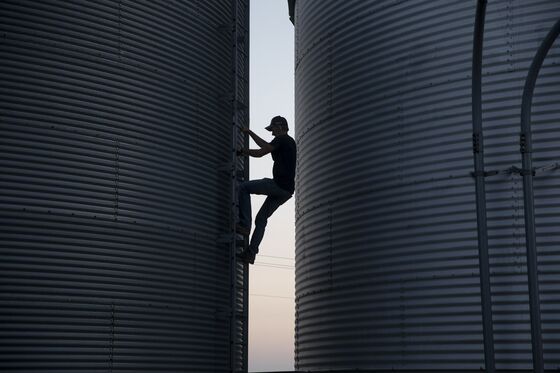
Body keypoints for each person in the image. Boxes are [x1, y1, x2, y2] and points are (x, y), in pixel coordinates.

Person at [237, 116, 296, 264]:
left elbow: (261, 152)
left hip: (278, 185)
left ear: (280, 126)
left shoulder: (283, 139)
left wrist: (243, 151)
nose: (271, 132)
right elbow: (265, 146)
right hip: (287, 191)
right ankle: (251, 253)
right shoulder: (285, 142)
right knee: (261, 218)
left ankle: (244, 225)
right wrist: (249, 133)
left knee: (244, 187)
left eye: (272, 129)